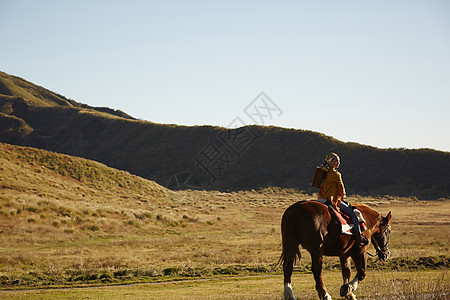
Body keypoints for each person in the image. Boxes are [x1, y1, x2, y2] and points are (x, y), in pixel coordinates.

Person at [318, 153, 369, 246]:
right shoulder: (336, 174)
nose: (338, 163)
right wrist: (343, 196)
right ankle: (359, 237)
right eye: (335, 161)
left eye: (338, 161)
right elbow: (341, 189)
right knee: (353, 214)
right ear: (329, 162)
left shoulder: (323, 172)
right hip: (332, 200)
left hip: (321, 199)